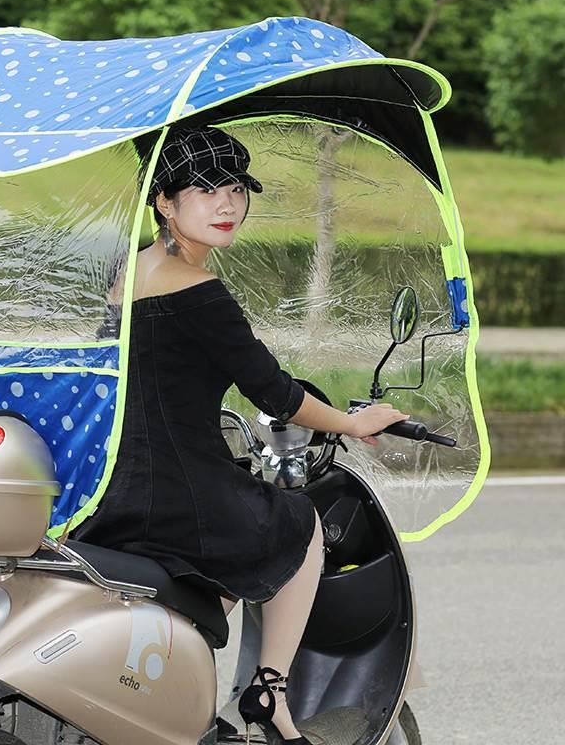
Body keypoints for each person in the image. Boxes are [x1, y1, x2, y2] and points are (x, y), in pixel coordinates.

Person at [74, 126, 408, 744]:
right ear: (164, 203)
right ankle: (268, 691)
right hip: (182, 495)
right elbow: (273, 391)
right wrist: (352, 422)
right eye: (204, 190)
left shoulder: (128, 277)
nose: (227, 203)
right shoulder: (198, 290)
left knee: (221, 560)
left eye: (235, 189)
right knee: (298, 524)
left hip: (111, 492)